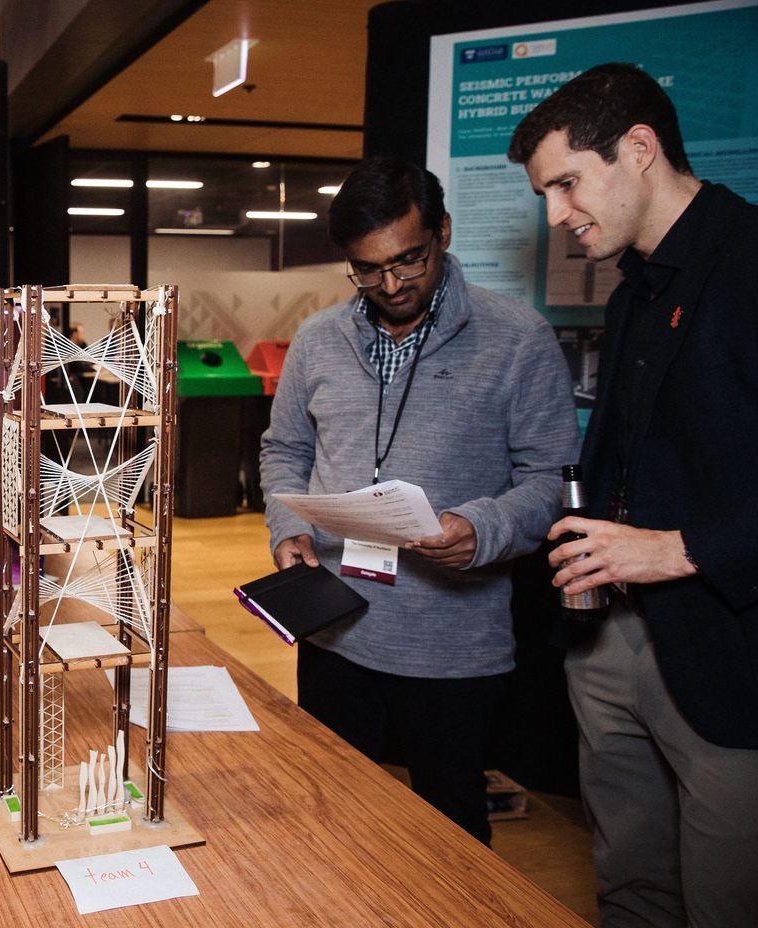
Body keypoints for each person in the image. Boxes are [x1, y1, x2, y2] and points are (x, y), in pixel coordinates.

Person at [259, 156, 578, 844]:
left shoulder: (517, 339)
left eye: (409, 260)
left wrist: (483, 527)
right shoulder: (318, 339)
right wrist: (288, 529)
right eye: (367, 269)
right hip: (334, 627)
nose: (391, 284)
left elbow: (552, 478)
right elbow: (284, 449)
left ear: (444, 232)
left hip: (451, 644)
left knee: (448, 831)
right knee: (328, 815)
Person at [510, 63, 758, 928]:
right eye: (545, 193)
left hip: (728, 659)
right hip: (609, 641)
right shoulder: (634, 296)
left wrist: (680, 549)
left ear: (640, 149)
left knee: (726, 902)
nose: (556, 215)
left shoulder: (750, 265)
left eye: (567, 183)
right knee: (629, 890)